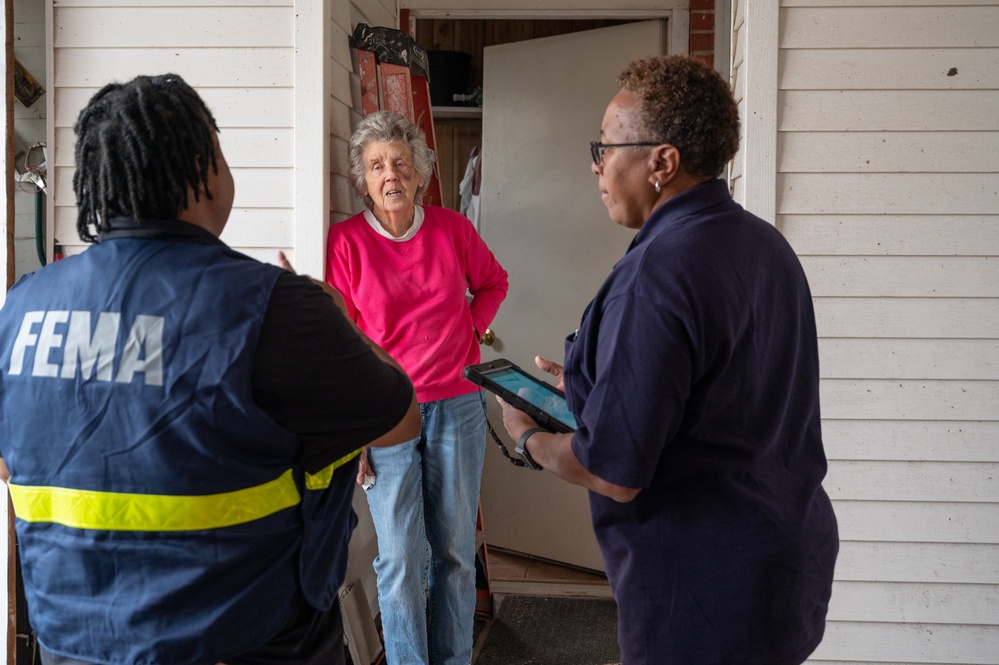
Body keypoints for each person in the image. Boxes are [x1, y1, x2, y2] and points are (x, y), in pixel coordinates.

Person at [0, 73, 422, 665]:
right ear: (203, 166)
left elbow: (10, 460)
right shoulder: (272, 306)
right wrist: (338, 317)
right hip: (250, 644)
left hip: (74, 647)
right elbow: (401, 417)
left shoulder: (21, 308)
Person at [496, 55, 839, 665]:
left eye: (605, 147)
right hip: (784, 564)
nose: (595, 165)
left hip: (702, 593)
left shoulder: (658, 274)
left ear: (663, 161)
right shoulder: (764, 245)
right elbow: (725, 390)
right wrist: (594, 381)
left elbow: (616, 473)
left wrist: (527, 439)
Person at [326, 110, 508, 665]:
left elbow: (493, 283)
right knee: (401, 557)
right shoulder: (347, 243)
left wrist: (471, 330)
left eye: (401, 162)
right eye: (378, 165)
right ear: (362, 178)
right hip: (386, 414)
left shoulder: (453, 229)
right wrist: (354, 432)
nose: (391, 175)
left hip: (458, 404)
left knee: (453, 551)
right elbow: (342, 343)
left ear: (420, 171)